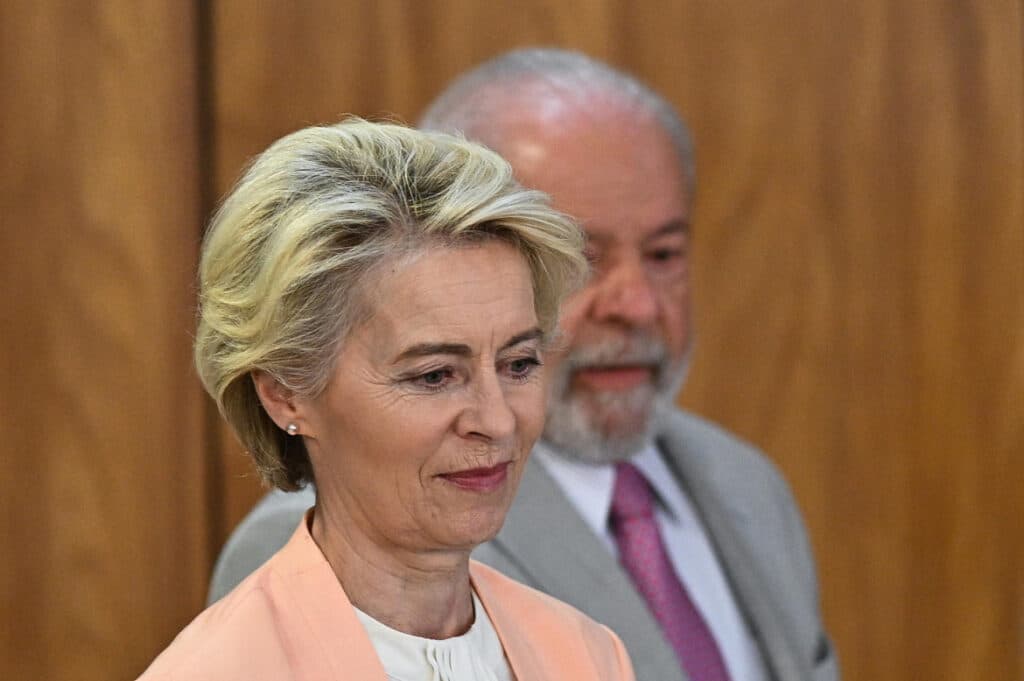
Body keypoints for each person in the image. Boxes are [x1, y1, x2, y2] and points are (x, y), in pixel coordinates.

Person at [208, 49, 839, 681]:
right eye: (583, 258)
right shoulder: (331, 553)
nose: (638, 304)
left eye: (664, 252)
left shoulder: (745, 485)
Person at [138, 119, 636, 680]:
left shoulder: (588, 655)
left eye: (518, 364)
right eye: (433, 376)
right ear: (286, 393)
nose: (496, 421)